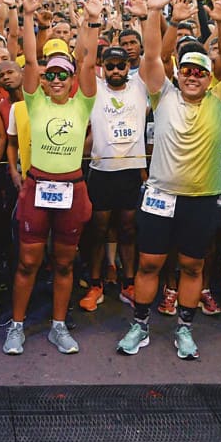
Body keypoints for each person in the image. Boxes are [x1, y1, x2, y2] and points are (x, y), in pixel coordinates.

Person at [115, 0, 221, 361]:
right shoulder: (163, 94)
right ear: (179, 74)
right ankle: (139, 325)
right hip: (159, 196)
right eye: (186, 69)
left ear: (209, 79)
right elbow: (152, 57)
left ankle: (185, 329)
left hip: (202, 199)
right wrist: (156, 12)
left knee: (192, 265)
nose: (191, 75)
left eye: (200, 72)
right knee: (150, 262)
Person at [3, 0, 99, 355]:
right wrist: (27, 16)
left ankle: (58, 326)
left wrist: (90, 21)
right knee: (27, 262)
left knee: (63, 262)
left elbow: (88, 62)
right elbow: (29, 61)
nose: (56, 81)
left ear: (71, 79)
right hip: (37, 188)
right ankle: (17, 326)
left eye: (63, 76)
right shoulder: (35, 102)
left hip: (71, 189)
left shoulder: (81, 104)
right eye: (51, 76)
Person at [82, 41, 148, 312]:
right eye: (110, 66)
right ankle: (95, 283)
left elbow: (158, 56)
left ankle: (129, 282)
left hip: (130, 172)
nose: (116, 70)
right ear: (103, 68)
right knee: (98, 230)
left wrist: (148, 16)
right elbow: (82, 64)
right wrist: (92, 23)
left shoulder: (139, 88)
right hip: (101, 172)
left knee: (128, 230)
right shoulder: (95, 90)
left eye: (122, 65)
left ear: (130, 66)